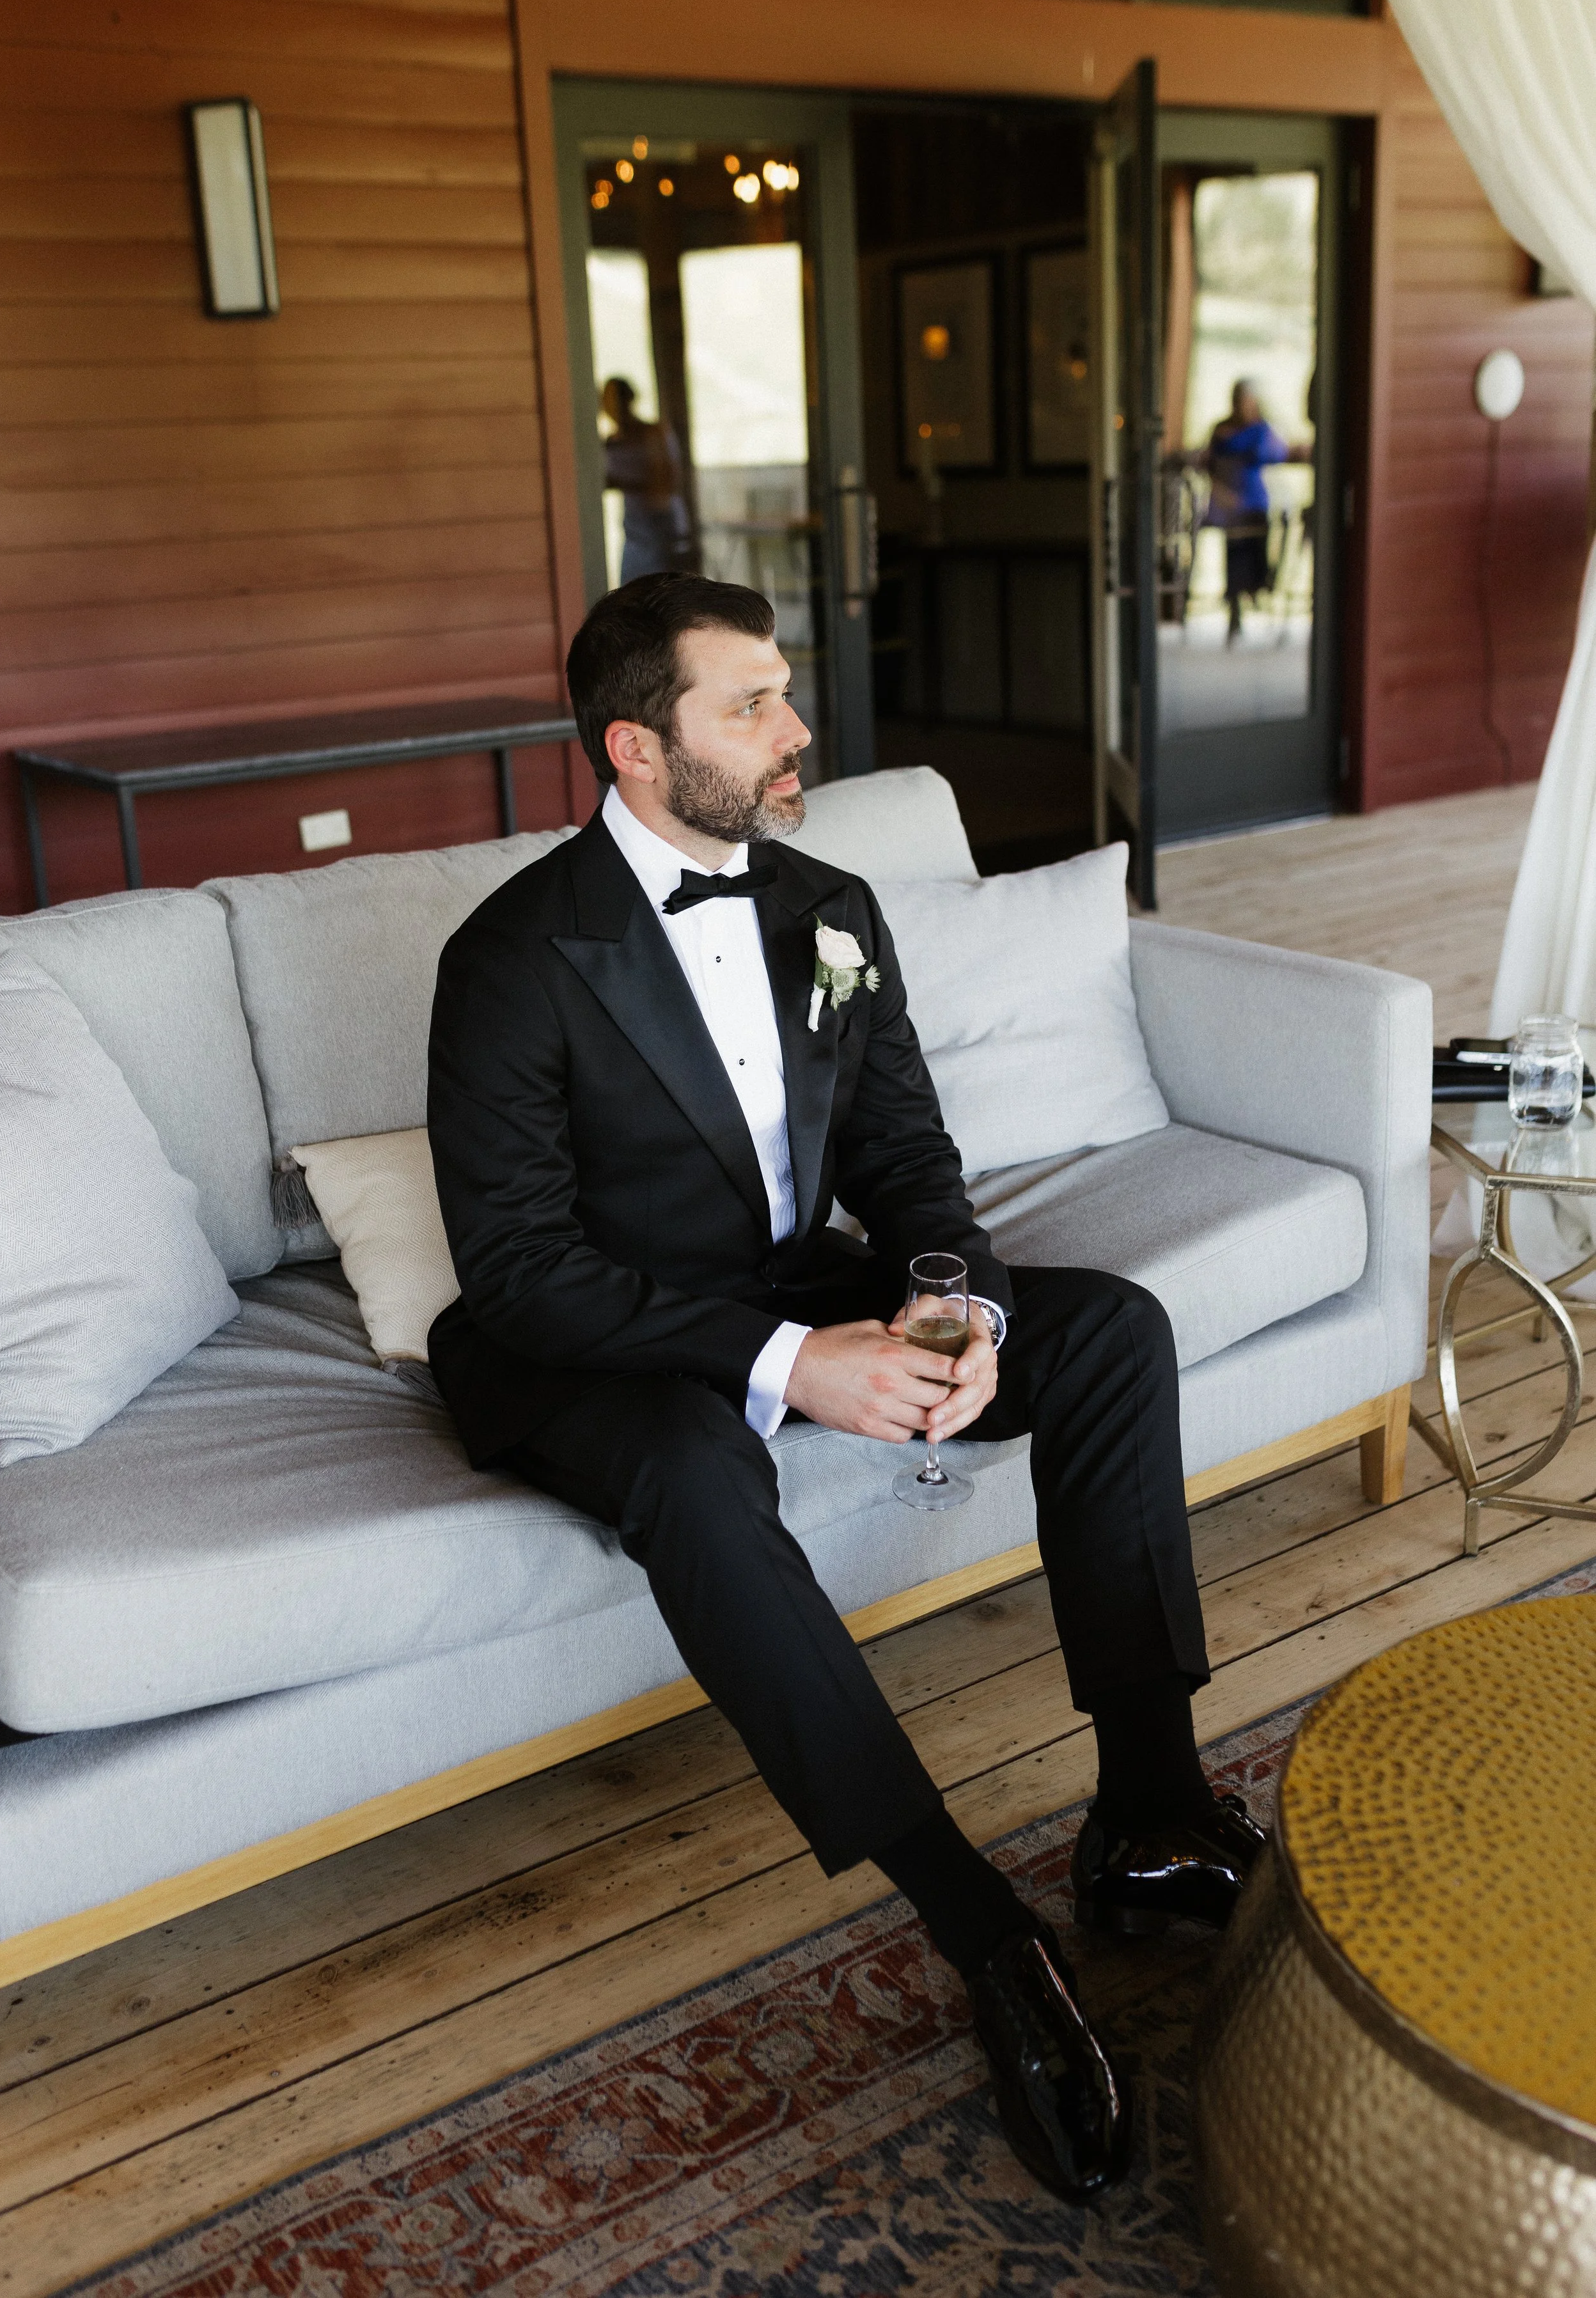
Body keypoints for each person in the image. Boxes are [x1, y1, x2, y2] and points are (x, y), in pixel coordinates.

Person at [426, 572, 1265, 2205]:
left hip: (783, 1273)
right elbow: (521, 1266)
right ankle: (981, 1923)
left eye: (785, 690)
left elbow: (907, 1162)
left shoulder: (829, 903)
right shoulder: (514, 956)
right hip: (591, 1334)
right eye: (749, 703)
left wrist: (949, 1311)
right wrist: (795, 1360)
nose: (797, 727)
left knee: (1106, 1329)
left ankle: (1152, 1809)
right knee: (694, 1474)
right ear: (637, 748)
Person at [1201, 378, 1311, 642]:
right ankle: (1239, 604)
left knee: (1259, 541)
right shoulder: (1223, 431)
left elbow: (1278, 452)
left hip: (1254, 502)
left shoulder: (1261, 430)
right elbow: (1209, 464)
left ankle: (1258, 588)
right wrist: (1221, 493)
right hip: (1230, 506)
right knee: (1236, 548)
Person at [600, 376, 694, 582]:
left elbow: (668, 479)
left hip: (663, 525)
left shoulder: (654, 433)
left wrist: (626, 483)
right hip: (635, 531)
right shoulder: (610, 443)